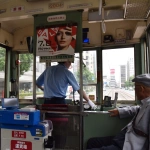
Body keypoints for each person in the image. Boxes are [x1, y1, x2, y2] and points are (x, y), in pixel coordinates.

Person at [87, 74, 150, 150]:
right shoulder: (145, 103)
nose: (134, 90)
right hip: (124, 137)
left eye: (135, 87)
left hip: (131, 145)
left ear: (141, 89)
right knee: (92, 142)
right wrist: (120, 111)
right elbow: (137, 108)